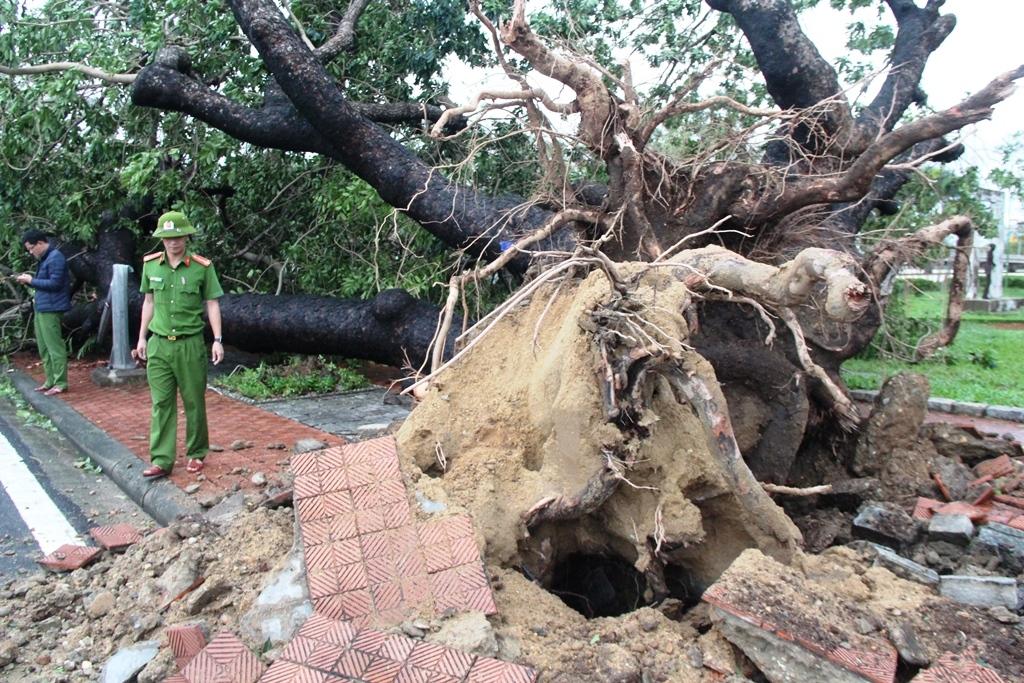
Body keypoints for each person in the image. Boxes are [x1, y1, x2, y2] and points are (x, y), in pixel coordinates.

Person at [134, 210, 224, 479]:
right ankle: (162, 459)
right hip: (159, 344)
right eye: (168, 237)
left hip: (190, 344)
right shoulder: (151, 266)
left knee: (193, 400)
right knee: (161, 402)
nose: (173, 242)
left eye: (178, 237)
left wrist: (218, 340)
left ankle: (196, 453)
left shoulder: (201, 267)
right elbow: (148, 302)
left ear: (187, 236)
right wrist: (141, 337)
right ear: (161, 239)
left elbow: (212, 303)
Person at [15, 230, 72, 396]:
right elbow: (43, 284)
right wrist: (28, 282)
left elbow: (55, 284)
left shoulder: (56, 257)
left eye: (31, 248)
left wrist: (31, 280)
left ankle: (60, 383)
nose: (31, 252)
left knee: (55, 347)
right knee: (44, 347)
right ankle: (50, 381)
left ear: (40, 243)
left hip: (52, 309)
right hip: (41, 307)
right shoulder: (45, 258)